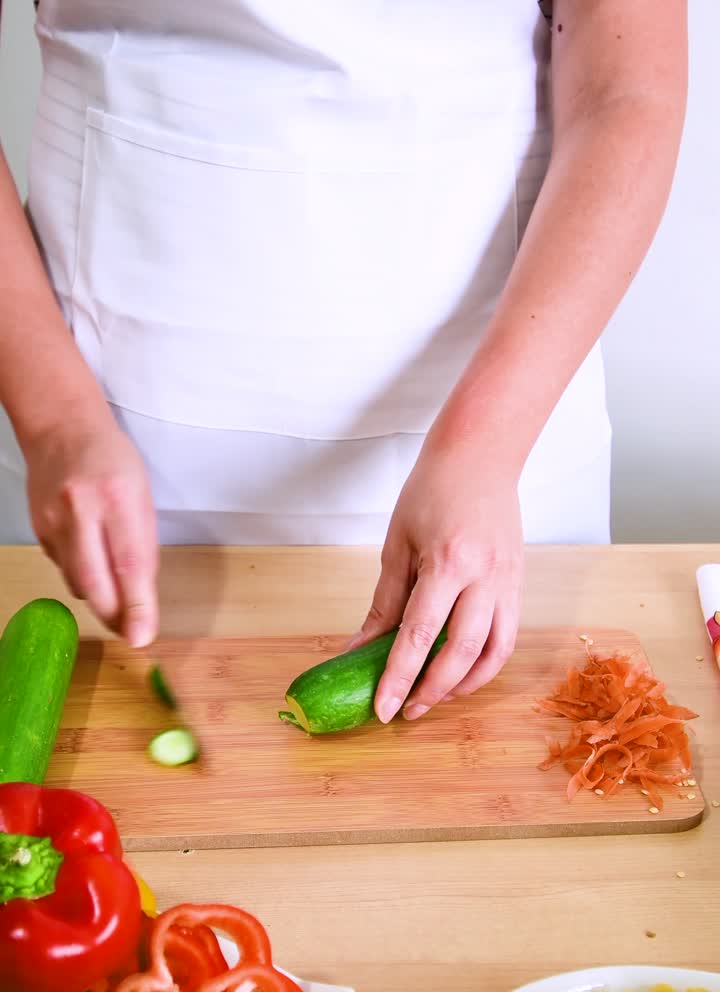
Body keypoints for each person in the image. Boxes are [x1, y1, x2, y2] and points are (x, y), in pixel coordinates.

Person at [0, 2, 687, 723]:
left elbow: (629, 92)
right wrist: (56, 423)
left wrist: (483, 447)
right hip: (102, 429)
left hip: (505, 438)